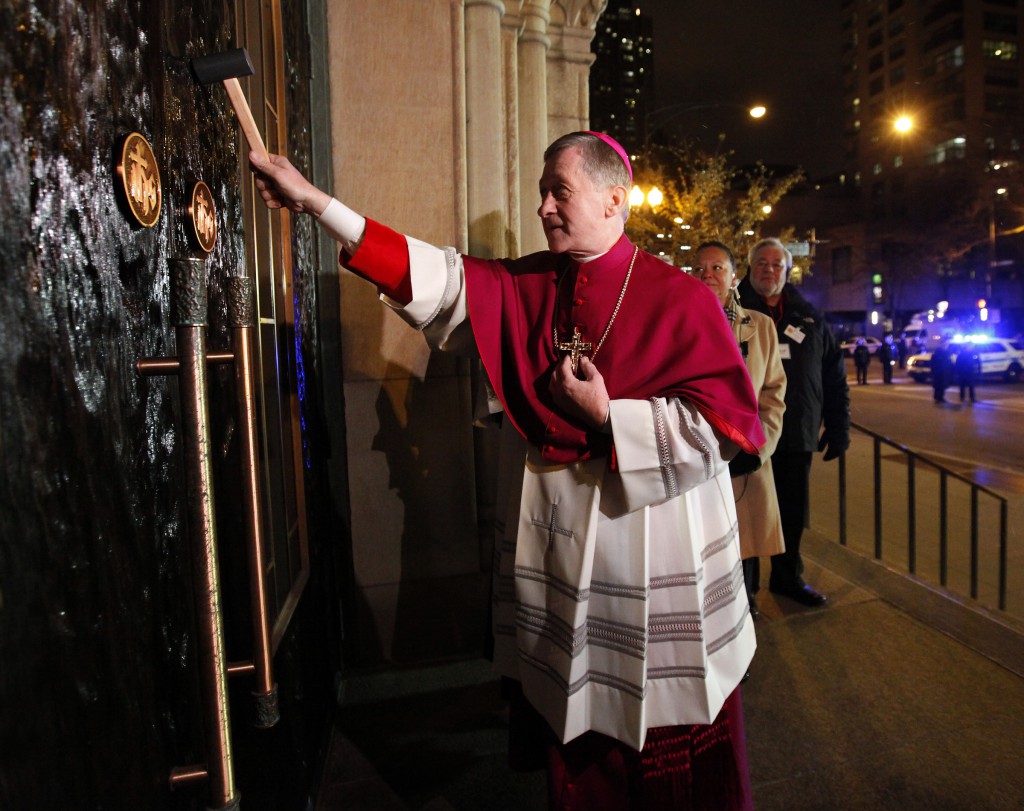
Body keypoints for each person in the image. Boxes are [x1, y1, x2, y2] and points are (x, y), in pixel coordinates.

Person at [249, 132, 765, 810]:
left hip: (644, 565)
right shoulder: (528, 283)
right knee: (570, 740)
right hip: (558, 563)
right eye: (542, 192)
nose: (545, 206)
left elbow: (727, 430)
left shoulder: (683, 300)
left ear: (616, 199)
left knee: (657, 755)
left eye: (561, 191)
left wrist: (610, 416)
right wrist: (319, 204)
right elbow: (429, 274)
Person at [738, 238, 850, 608]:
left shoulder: (811, 318)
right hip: (749, 436)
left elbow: (833, 377)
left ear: (788, 271)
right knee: (749, 514)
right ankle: (745, 591)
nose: (769, 270)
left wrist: (838, 427)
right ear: (749, 268)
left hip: (796, 434)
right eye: (761, 264)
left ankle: (788, 578)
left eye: (777, 265)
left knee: (791, 512)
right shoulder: (733, 313)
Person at [693, 242, 786, 622]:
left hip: (745, 459)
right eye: (701, 269)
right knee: (702, 552)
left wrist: (757, 447)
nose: (709, 275)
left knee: (742, 552)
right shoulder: (681, 320)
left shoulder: (759, 327)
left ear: (734, 277)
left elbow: (774, 395)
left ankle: (743, 625)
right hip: (696, 458)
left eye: (718, 268)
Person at [931, 339, 952, 404]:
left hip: (943, 372)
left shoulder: (946, 352)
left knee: (942, 385)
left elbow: (949, 361)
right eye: (946, 344)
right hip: (939, 372)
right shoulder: (939, 352)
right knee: (939, 385)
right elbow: (934, 361)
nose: (947, 345)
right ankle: (938, 398)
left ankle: (940, 397)